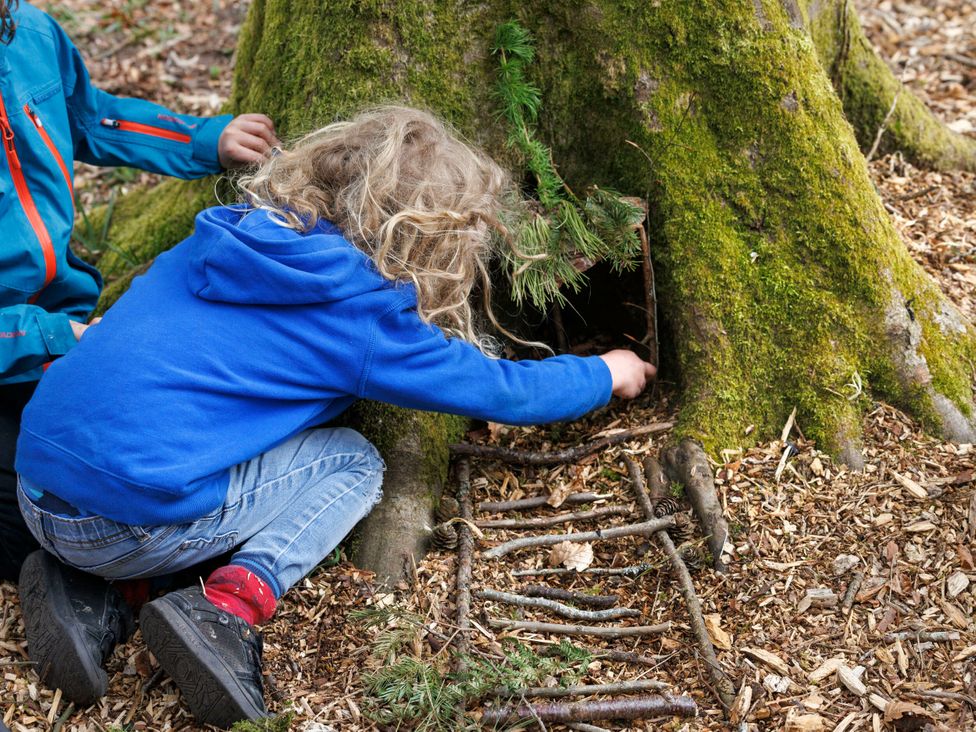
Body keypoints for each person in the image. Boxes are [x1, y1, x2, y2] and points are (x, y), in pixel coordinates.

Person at [15, 105, 656, 726]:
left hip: (36, 480)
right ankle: (227, 608)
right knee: (351, 462)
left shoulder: (226, 234)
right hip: (124, 522)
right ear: (432, 236)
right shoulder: (362, 313)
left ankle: (99, 591)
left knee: (171, 450)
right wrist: (604, 373)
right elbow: (501, 390)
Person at [0, 0, 278, 707]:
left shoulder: (28, 32)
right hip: (30, 342)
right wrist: (53, 337)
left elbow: (91, 116)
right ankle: (95, 593)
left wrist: (204, 140)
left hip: (50, 338)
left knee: (137, 476)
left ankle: (117, 591)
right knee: (22, 527)